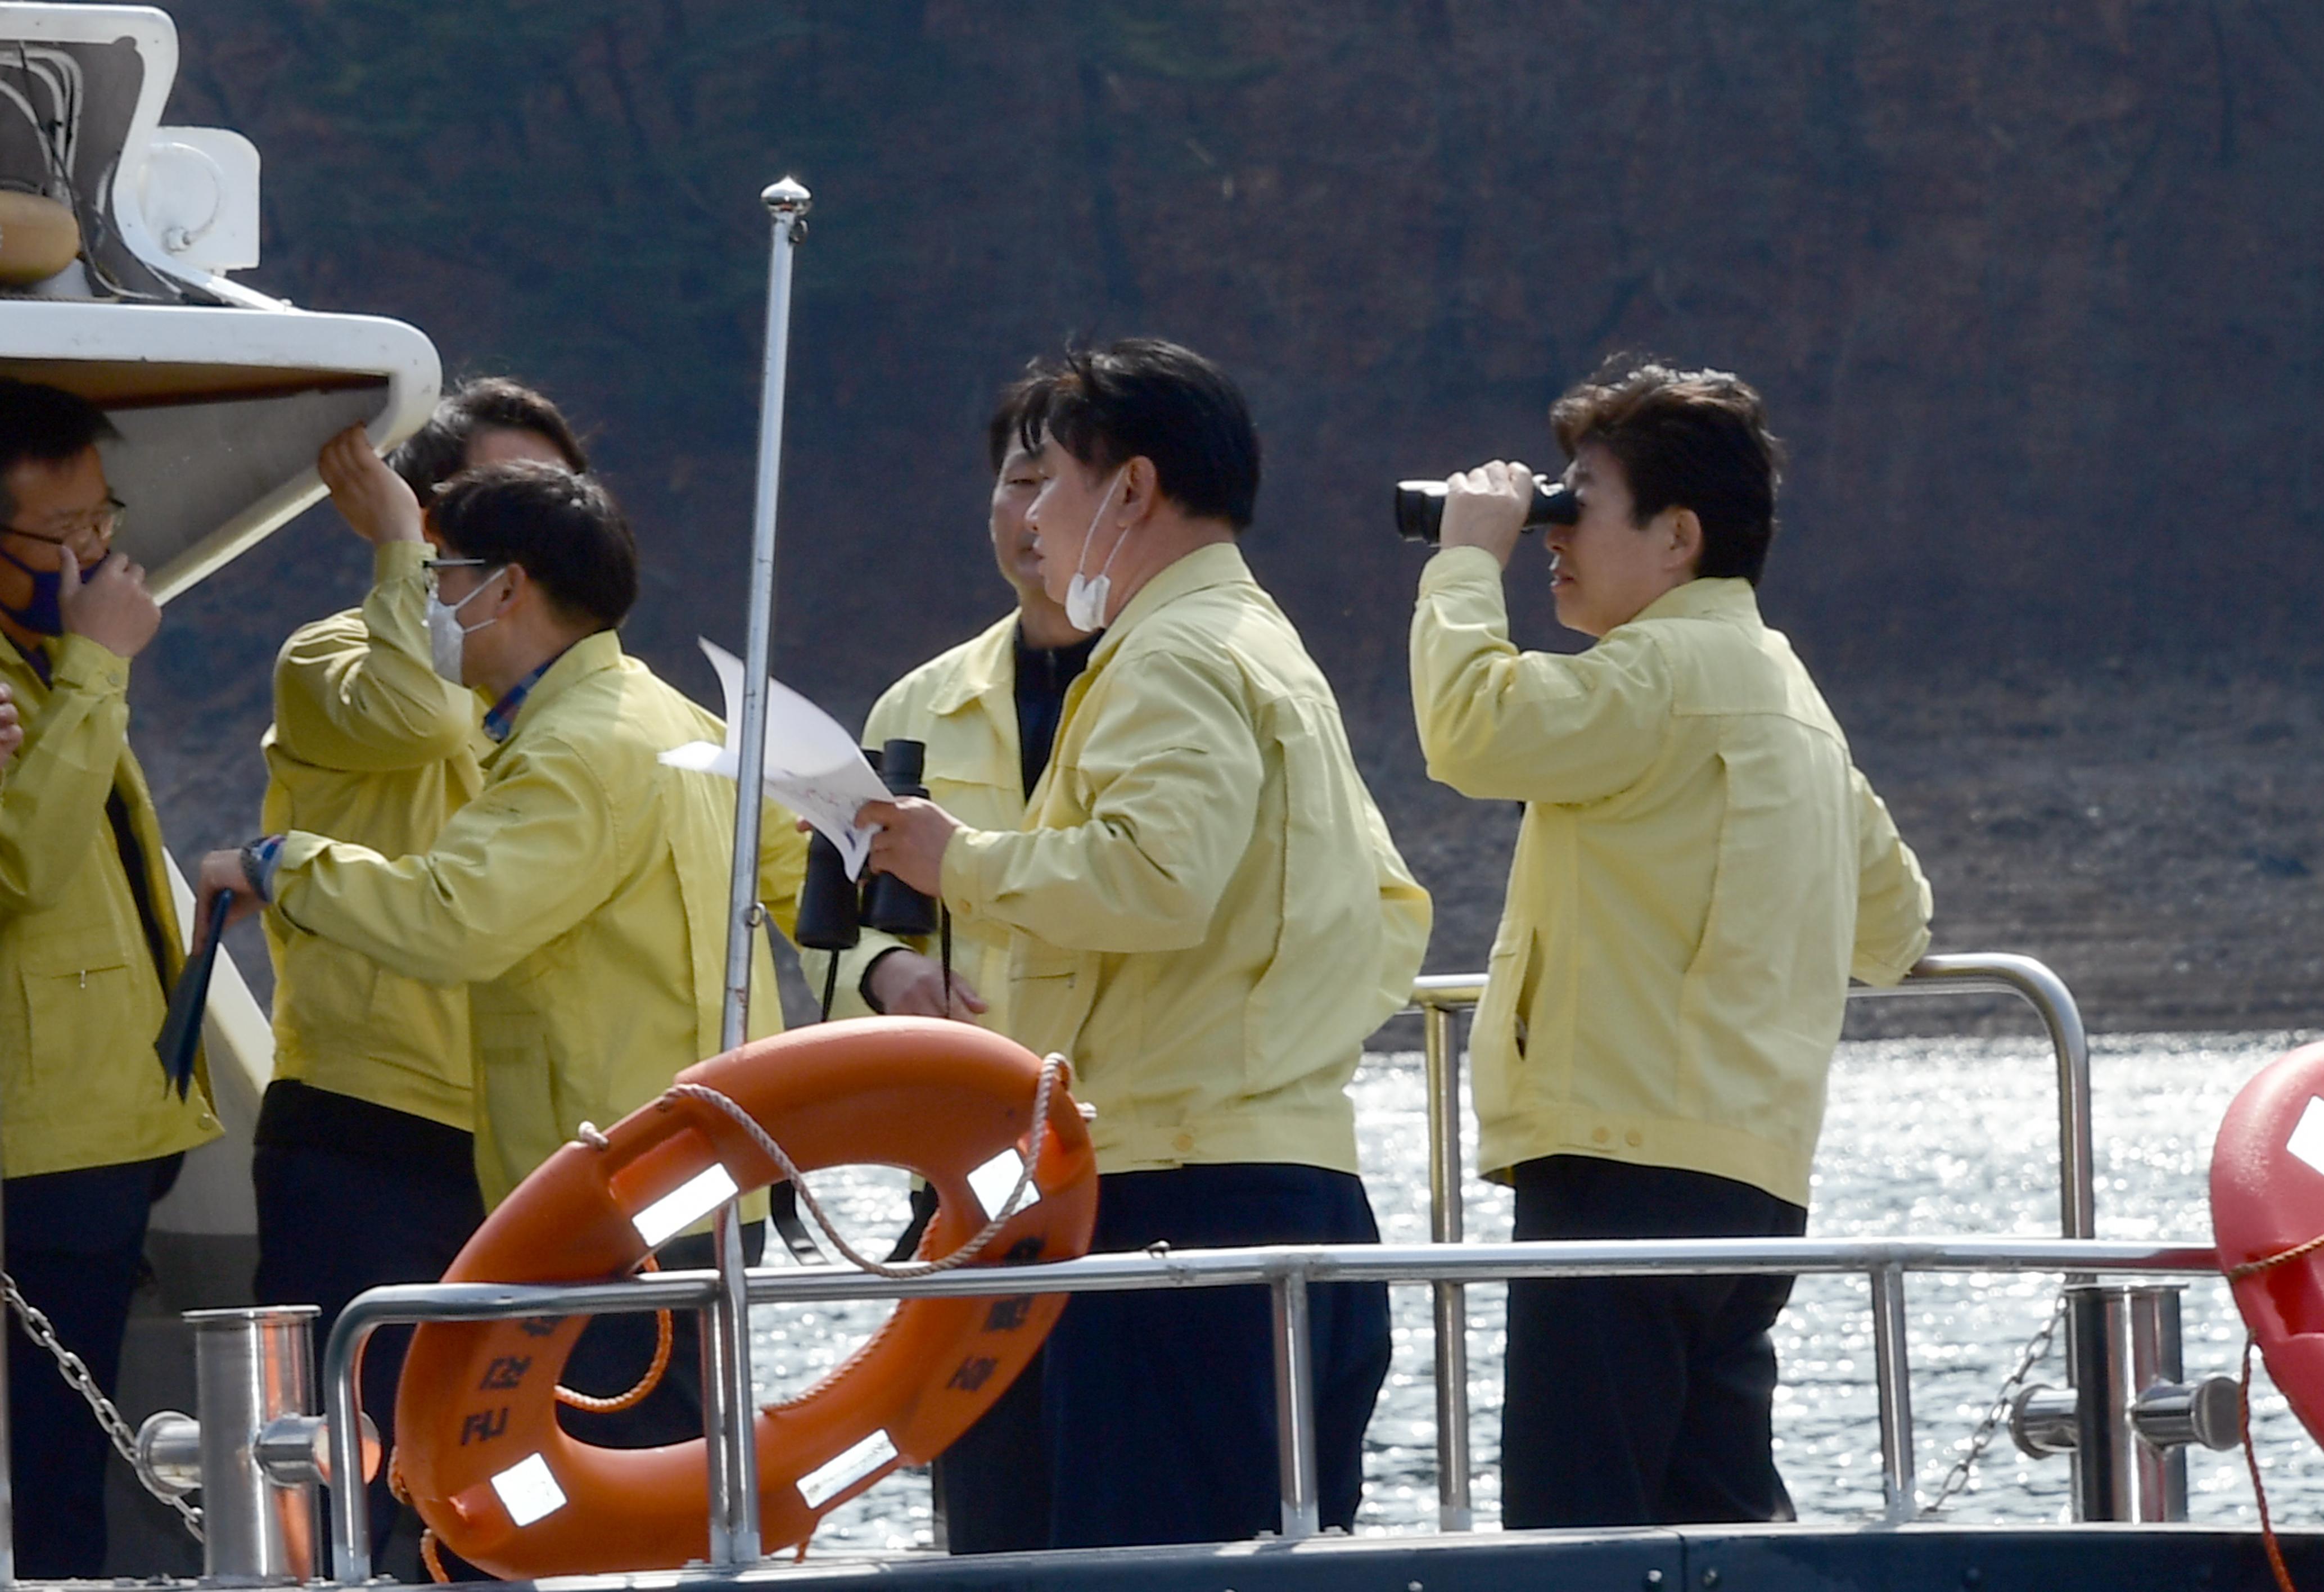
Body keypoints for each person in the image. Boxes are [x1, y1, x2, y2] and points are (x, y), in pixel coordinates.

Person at [861, 338, 1431, 1549]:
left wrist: (953, 861)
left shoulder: (1168, 654)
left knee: (1139, 1552)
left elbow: (1156, 876)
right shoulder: (1258, 645)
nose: (1032, 524)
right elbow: (1386, 912)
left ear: (1128, 491)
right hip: (1269, 1175)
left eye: (1048, 483)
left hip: (1173, 1194)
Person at [198, 455, 805, 1481]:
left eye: (441, 580)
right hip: (696, 1179)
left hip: (607, 1197)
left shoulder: (574, 751)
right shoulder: (675, 720)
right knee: (681, 1492)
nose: (432, 604)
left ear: (506, 586)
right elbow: (794, 864)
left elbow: (455, 919)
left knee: (609, 1484)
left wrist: (282, 864)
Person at [1408, 358, 1934, 1528]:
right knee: (1717, 1509)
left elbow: (1471, 732)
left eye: (1576, 500)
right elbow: (1897, 928)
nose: (1551, 530)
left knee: (1577, 1523)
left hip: (1614, 1165)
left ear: (1677, 535)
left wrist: (1461, 560)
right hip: (1753, 1184)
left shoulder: (1656, 673)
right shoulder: (1789, 695)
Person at [250, 378, 588, 1567]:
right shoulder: (332, 658)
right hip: (367, 1129)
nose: (515, 538)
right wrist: (403, 554)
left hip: (524, 1140)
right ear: (418, 512)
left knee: (512, 1488)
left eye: (547, 506)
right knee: (360, 1495)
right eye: (478, 511)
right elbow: (424, 713)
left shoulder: (590, 701)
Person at [802, 387, 1096, 1553]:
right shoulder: (919, 706)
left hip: (1133, 1150)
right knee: (989, 1504)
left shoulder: (1179, 677)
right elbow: (839, 919)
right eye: (1014, 481)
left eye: (1056, 481)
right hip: (969, 1169)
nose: (1030, 512)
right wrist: (887, 977)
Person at [0, 378, 220, 1575]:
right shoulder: (61, 669)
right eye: (63, 532)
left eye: (103, 520)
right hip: (42, 1139)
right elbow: (23, 863)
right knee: (52, 1459)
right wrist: (97, 670)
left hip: (102, 1122)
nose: (95, 552)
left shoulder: (45, 662)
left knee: (69, 1445)